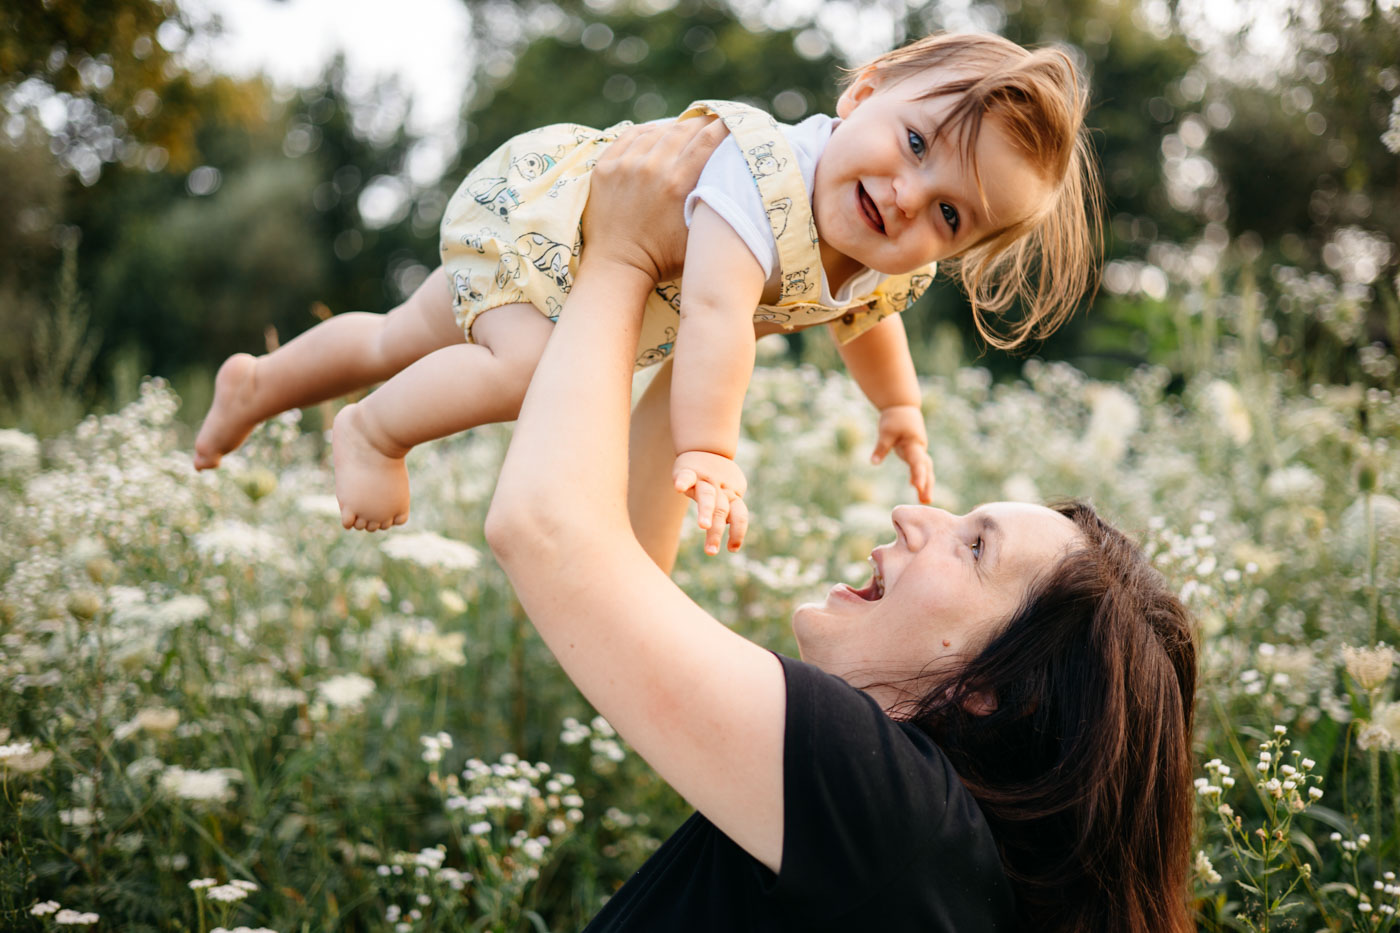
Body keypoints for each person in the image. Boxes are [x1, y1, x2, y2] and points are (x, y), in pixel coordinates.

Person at [484, 119, 1197, 931]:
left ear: (998, 692)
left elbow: (548, 532)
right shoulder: (941, 851)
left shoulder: (887, 802)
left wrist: (622, 255)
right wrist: (721, 308)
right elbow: (621, 573)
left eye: (974, 547)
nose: (911, 513)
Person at [192, 33, 1101, 552]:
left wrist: (898, 404)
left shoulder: (887, 258)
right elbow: (715, 316)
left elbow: (864, 319)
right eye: (913, 144)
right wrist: (710, 447)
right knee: (529, 376)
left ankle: (259, 385)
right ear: (863, 93)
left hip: (557, 246)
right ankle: (372, 430)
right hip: (544, 227)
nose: (908, 198)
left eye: (949, 214)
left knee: (397, 333)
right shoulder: (767, 176)